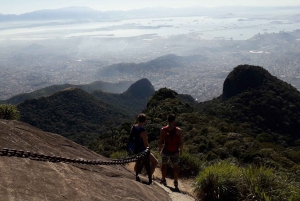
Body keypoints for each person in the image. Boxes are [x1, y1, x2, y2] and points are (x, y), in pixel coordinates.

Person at [158, 114, 183, 188]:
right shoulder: (178, 130)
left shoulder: (163, 130)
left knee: (164, 164)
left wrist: (159, 149)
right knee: (175, 166)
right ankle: (175, 181)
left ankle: (163, 179)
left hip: (166, 150)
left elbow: (160, 141)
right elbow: (181, 142)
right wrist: (180, 150)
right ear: (174, 120)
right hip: (175, 151)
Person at [133, 113, 158, 182]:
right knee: (155, 162)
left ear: (138, 119)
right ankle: (147, 176)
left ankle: (140, 175)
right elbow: (145, 143)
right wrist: (148, 148)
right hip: (143, 151)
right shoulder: (143, 131)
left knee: (137, 166)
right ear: (144, 121)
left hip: (136, 150)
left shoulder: (133, 128)